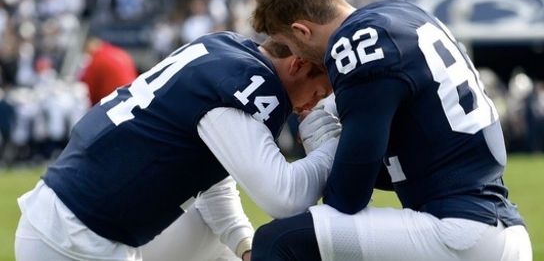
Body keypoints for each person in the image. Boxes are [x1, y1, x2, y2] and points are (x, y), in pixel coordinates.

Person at [249, 0, 532, 261]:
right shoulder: (404, 12)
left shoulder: (355, 44)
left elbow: (347, 198)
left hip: (461, 232)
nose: (296, 59)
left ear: (301, 31)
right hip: (498, 227)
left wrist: (328, 148)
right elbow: (403, 164)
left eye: (289, 47)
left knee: (278, 241)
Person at [15, 31, 341, 261]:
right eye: (318, 92)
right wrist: (332, 145)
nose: (312, 105)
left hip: (61, 221)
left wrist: (244, 245)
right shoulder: (245, 85)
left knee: (223, 246)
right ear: (297, 65)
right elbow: (285, 198)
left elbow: (211, 181)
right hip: (75, 240)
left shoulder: (225, 48)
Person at [80, 37, 138, 105]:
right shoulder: (118, 51)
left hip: (114, 101)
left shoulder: (98, 58)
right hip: (132, 95)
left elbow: (91, 89)